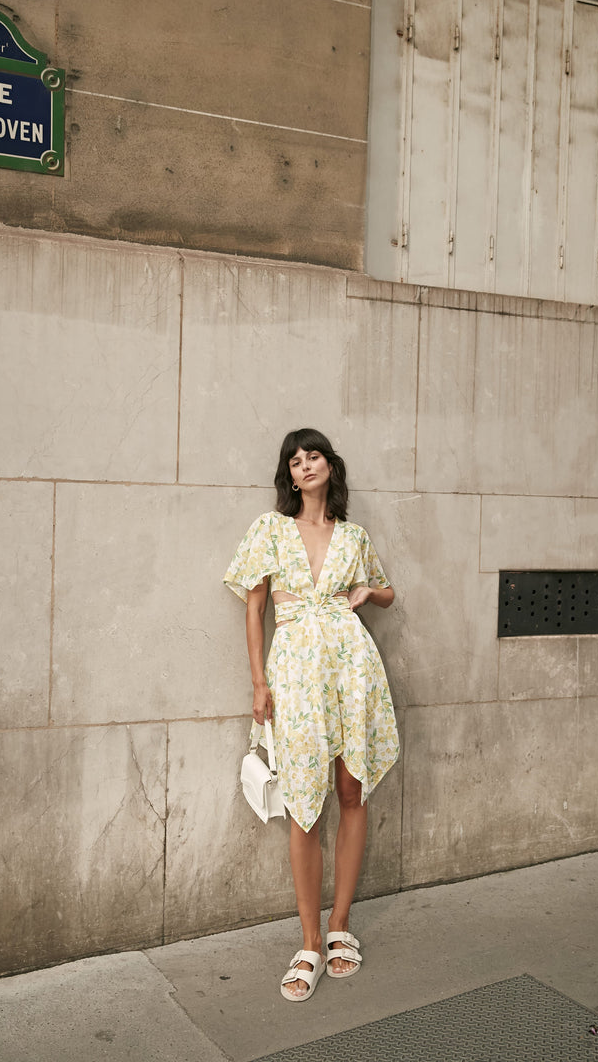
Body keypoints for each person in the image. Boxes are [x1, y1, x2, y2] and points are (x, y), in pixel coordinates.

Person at [223, 429, 399, 1002]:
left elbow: (389, 591)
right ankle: (308, 941)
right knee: (304, 804)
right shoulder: (270, 529)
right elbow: (254, 610)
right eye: (294, 461)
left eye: (313, 456)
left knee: (351, 793)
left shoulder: (352, 536)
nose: (304, 466)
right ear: (289, 475)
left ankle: (341, 924)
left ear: (329, 465)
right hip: (295, 674)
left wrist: (365, 595)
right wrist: (258, 682)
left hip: (353, 669)